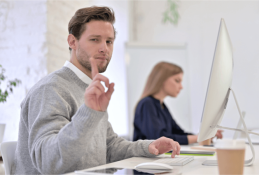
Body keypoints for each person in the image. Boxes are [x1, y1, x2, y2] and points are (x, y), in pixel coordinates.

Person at [11, 6, 181, 174]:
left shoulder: (91, 90)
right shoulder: (50, 89)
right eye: (95, 39)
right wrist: (89, 112)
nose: (104, 48)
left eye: (109, 41)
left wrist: (148, 147)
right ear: (72, 41)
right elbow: (50, 163)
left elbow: (109, 148)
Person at [133, 62, 223, 145]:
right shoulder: (147, 104)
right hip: (144, 161)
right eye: (177, 80)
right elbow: (159, 138)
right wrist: (198, 138)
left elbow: (178, 132)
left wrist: (203, 135)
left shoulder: (162, 106)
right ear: (161, 79)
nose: (181, 87)